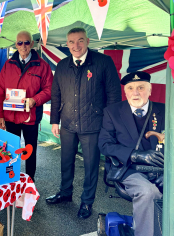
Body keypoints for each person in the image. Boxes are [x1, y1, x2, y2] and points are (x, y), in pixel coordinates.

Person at [47, 27, 121, 219]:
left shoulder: (103, 62)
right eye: (71, 42)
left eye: (80, 40)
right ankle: (65, 193)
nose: (76, 45)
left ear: (87, 41)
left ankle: (87, 202)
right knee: (66, 162)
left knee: (91, 166)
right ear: (67, 44)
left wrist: (110, 124)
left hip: (93, 125)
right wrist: (55, 120)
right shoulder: (62, 65)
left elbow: (114, 95)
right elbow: (56, 94)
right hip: (68, 123)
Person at [98, 71, 164, 236]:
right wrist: (135, 155)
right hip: (129, 169)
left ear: (150, 90)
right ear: (125, 92)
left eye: (141, 87)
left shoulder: (165, 110)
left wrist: (169, 172)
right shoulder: (112, 112)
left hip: (161, 168)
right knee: (149, 192)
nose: (136, 92)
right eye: (131, 88)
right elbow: (105, 145)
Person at [0, 30, 53, 182]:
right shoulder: (8, 65)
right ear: (16, 45)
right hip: (10, 117)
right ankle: (11, 179)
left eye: (26, 42)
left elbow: (49, 89)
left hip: (30, 117)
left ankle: (30, 181)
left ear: (32, 44)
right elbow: (0, 90)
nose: (23, 46)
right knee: (11, 151)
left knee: (30, 151)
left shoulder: (43, 66)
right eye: (20, 43)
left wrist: (35, 99)